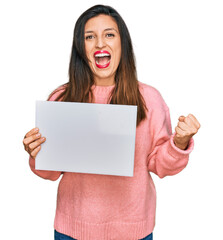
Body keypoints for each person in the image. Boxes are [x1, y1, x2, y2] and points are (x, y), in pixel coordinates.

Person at [23, 4, 200, 240]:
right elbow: (50, 172)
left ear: (121, 44)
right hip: (72, 230)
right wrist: (37, 152)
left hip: (133, 231)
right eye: (89, 37)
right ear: (80, 47)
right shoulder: (61, 98)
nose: (99, 44)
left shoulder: (149, 99)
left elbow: (161, 166)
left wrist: (179, 142)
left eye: (109, 34)